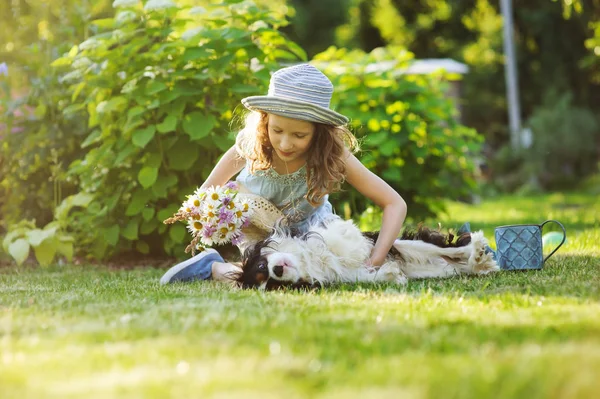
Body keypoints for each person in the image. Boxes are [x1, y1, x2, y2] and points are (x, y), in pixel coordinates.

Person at [160, 64, 407, 285]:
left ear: (320, 133)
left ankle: (224, 270)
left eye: (299, 135)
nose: (285, 143)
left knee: (331, 270)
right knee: (275, 274)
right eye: (277, 130)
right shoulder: (251, 144)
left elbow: (394, 203)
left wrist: (375, 260)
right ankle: (213, 267)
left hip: (315, 235)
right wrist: (211, 216)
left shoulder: (334, 154)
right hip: (265, 240)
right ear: (264, 121)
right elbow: (206, 191)